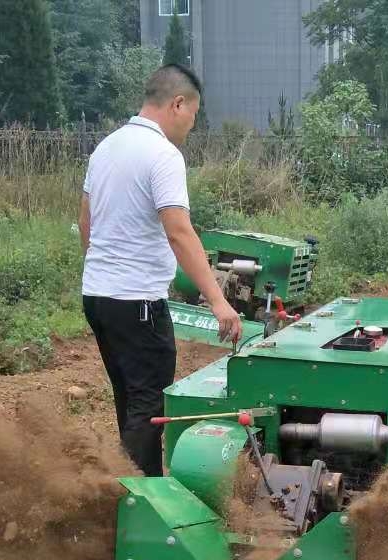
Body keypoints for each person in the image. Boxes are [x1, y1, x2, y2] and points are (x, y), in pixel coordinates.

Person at [80, 63, 242, 476]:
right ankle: (140, 505)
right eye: (193, 114)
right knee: (150, 405)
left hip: (98, 297)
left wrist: (104, 270)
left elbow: (87, 224)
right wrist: (219, 300)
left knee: (130, 400)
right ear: (177, 103)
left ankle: (127, 491)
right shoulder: (163, 154)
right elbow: (179, 232)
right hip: (137, 302)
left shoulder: (107, 147)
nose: (192, 124)